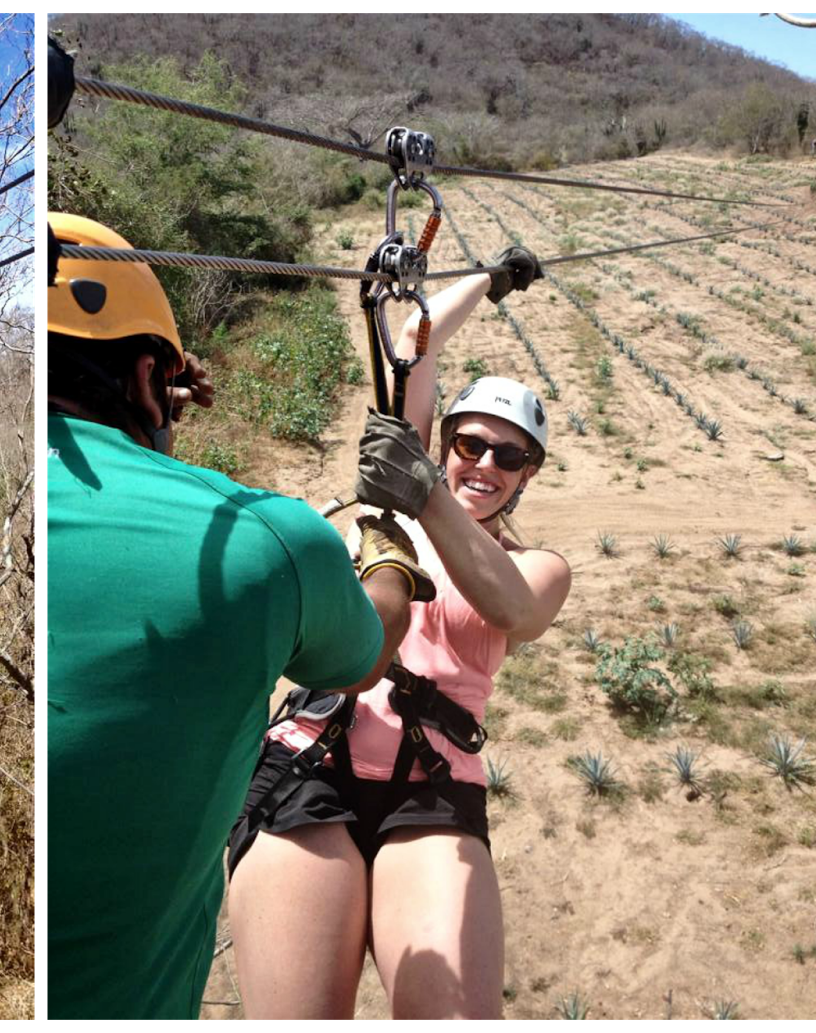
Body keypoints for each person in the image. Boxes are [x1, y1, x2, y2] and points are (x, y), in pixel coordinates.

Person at [45, 212, 438, 1019]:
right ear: (151, 377)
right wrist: (392, 557)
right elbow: (363, 652)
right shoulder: (266, 544)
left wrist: (151, 415)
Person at [225, 246, 572, 1019]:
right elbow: (414, 336)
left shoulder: (537, 567)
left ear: (528, 473)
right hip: (310, 761)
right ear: (443, 444)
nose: (483, 463)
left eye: (507, 455)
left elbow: (511, 607)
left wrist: (424, 491)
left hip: (433, 794)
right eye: (467, 445)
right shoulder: (396, 517)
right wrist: (492, 279)